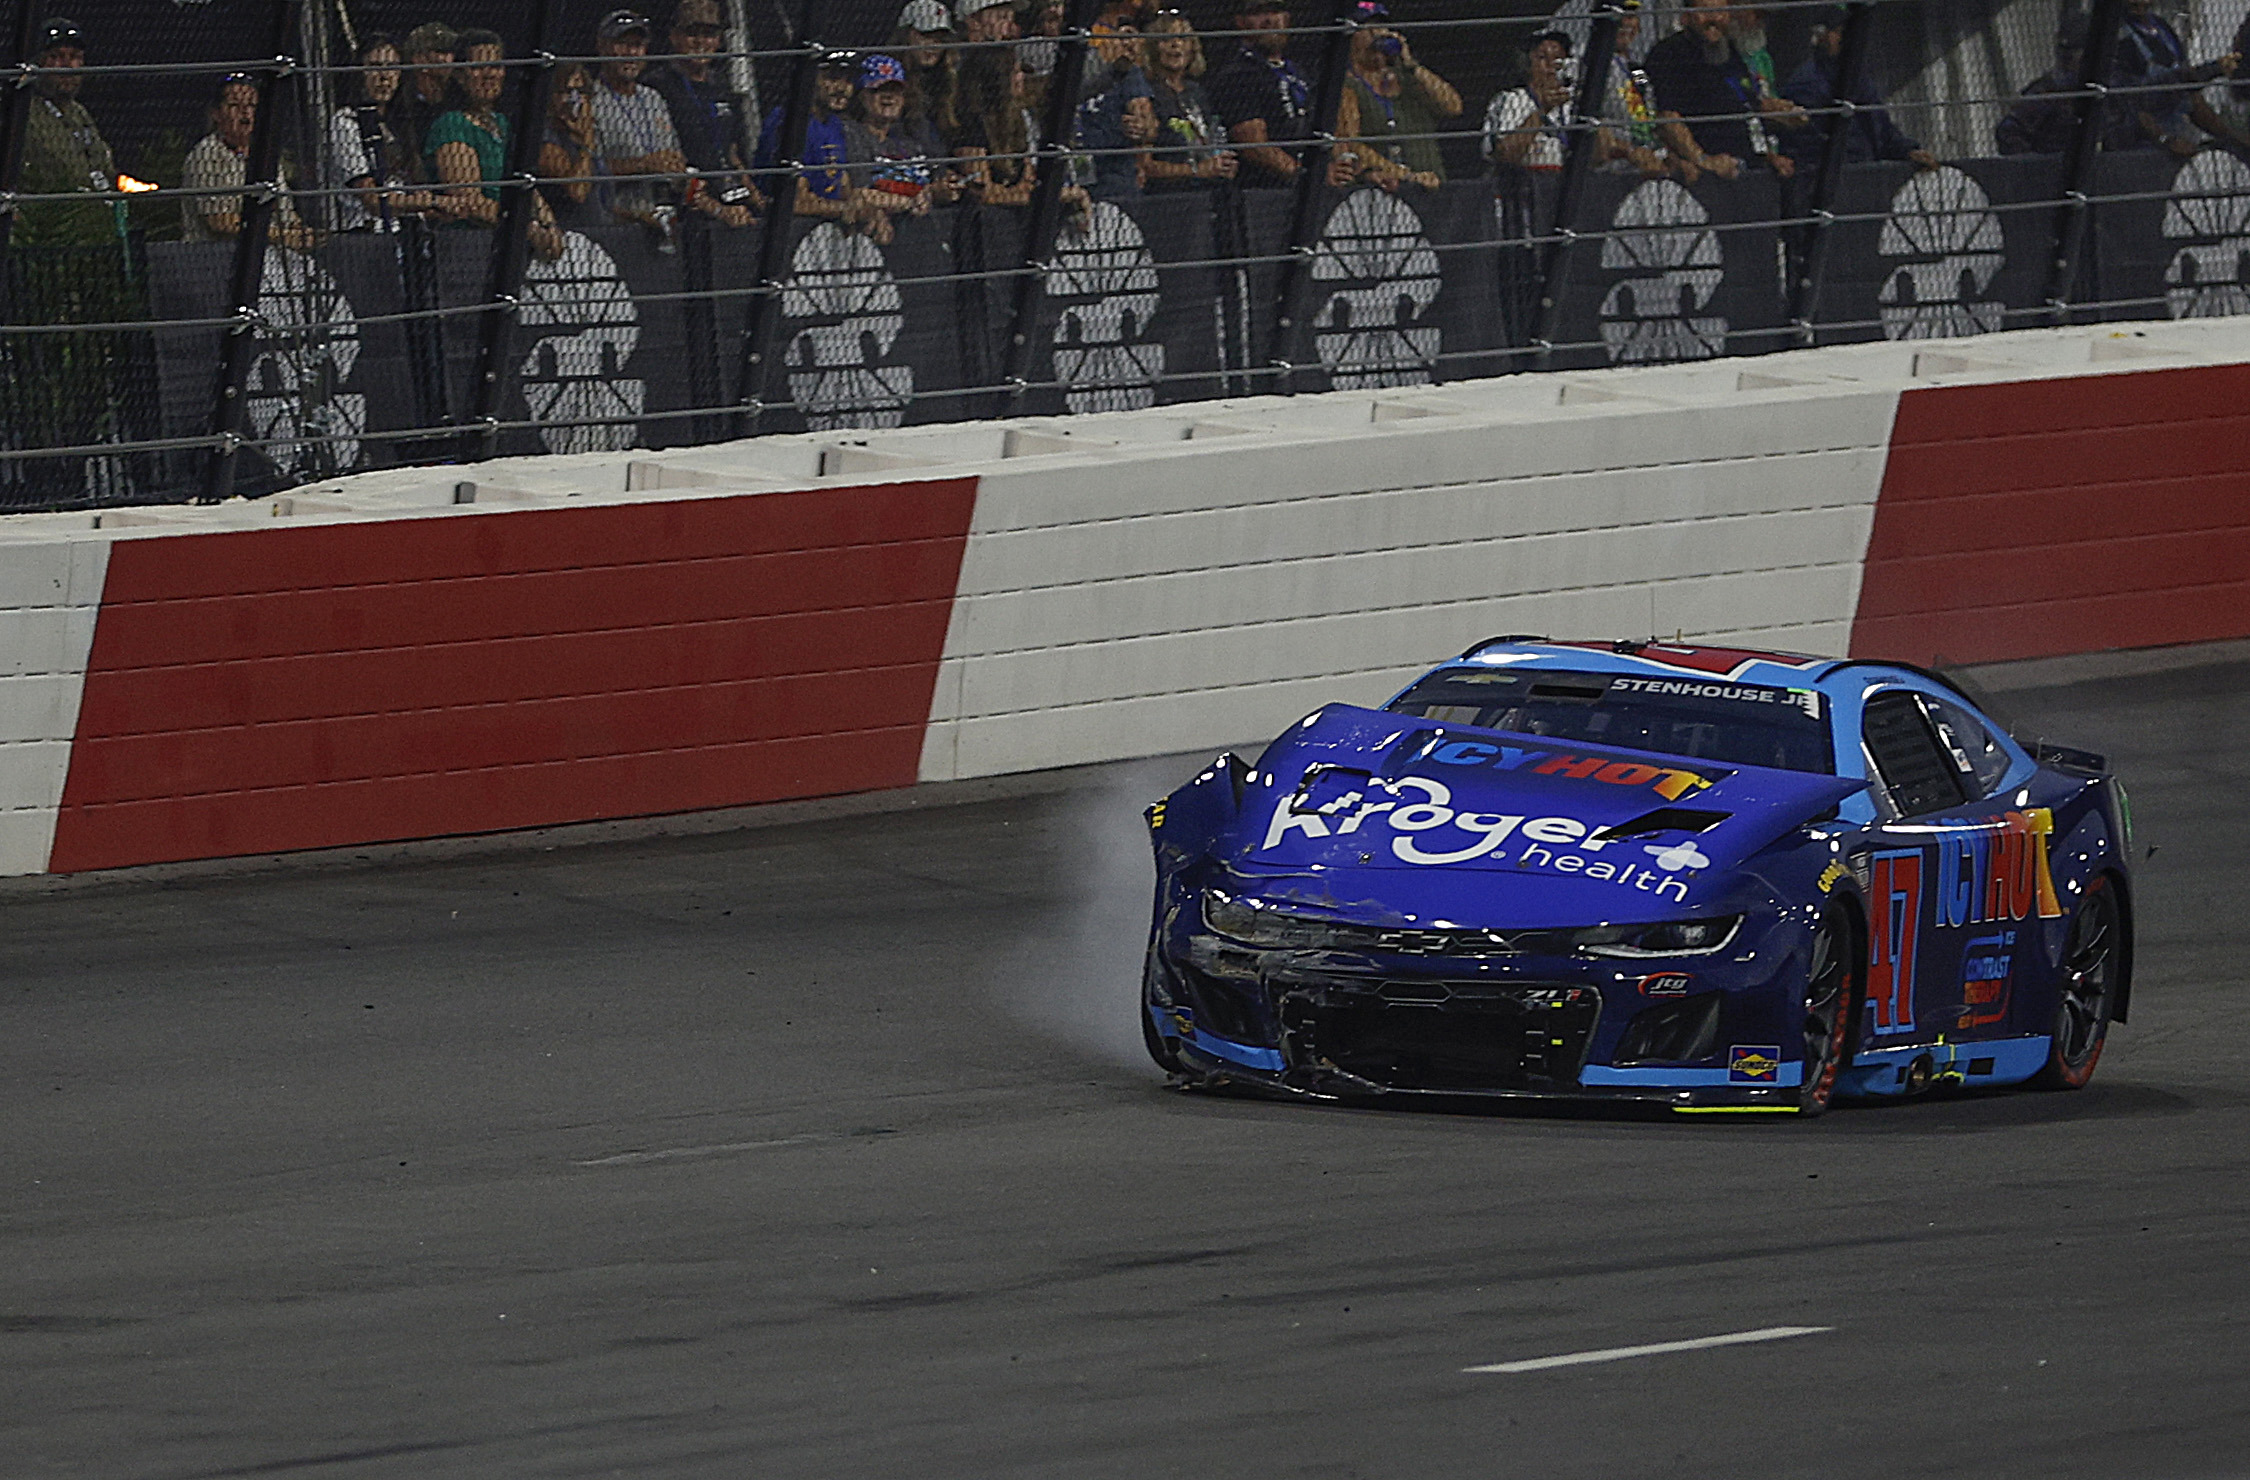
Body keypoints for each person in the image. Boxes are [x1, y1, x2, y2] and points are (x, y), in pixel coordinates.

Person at [428, 29, 565, 257]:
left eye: (495, 66)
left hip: (510, 239)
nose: (489, 74)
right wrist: (525, 227)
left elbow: (526, 184)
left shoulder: (501, 123)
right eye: (478, 67)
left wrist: (549, 225)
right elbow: (468, 199)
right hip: (470, 245)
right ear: (461, 76)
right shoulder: (452, 125)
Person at [1644, 0, 1797, 180]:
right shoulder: (1670, 53)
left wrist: (1768, 157)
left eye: (1720, 12)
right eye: (1705, 12)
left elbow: (1748, 109)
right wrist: (1702, 160)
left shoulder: (1727, 51)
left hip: (1746, 169)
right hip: (1705, 177)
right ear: (1686, 16)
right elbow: (1667, 118)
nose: (1714, 19)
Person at [1780, 6, 1936, 170]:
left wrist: (1908, 151)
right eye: (1838, 32)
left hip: (1866, 172)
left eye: (1848, 32)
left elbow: (1882, 128)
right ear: (1821, 36)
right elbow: (1809, 145)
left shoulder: (1858, 79)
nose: (1845, 39)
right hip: (1834, 176)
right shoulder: (1807, 82)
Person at [645, 0, 758, 226]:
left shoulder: (721, 84)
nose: (700, 43)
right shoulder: (658, 86)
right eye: (692, 34)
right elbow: (668, 160)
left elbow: (732, 151)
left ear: (718, 40)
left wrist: (754, 192)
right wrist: (717, 209)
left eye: (708, 35)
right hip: (686, 198)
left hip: (726, 189)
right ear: (675, 37)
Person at [1334, 1, 1461, 190]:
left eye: (1380, 26)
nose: (1377, 33)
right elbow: (1351, 143)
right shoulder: (1348, 84)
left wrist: (1412, 66)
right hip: (1387, 192)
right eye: (1367, 28)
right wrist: (1406, 176)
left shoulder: (1410, 78)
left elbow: (1453, 106)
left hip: (1434, 187)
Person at [15, 16, 119, 247]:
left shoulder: (79, 113)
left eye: (75, 58)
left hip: (94, 230)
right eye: (57, 57)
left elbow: (105, 168)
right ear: (39, 63)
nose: (68, 66)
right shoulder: (22, 113)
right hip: (47, 235)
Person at [181, 74, 314, 247]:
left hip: (271, 252)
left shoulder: (264, 153)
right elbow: (220, 223)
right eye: (235, 105)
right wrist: (280, 236)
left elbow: (286, 214)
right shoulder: (208, 153)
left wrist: (301, 232)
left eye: (252, 105)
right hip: (217, 255)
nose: (245, 112)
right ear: (216, 114)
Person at [328, 34, 444, 232]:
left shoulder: (400, 124)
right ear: (360, 74)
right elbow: (372, 200)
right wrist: (429, 202)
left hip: (411, 231)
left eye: (391, 67)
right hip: (367, 232)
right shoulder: (346, 121)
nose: (384, 76)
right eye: (374, 67)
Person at [590, 11, 689, 234]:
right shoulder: (591, 100)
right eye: (622, 44)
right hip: (616, 224)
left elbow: (673, 153)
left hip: (664, 217)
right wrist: (644, 165)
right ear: (602, 46)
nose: (630, 53)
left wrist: (680, 170)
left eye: (637, 45)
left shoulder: (653, 98)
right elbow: (589, 169)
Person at [847, 52, 960, 242]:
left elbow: (930, 183)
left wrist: (943, 188)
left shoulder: (909, 140)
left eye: (895, 90)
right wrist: (913, 200)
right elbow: (860, 192)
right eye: (879, 90)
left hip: (924, 236)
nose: (889, 97)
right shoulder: (853, 135)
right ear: (862, 96)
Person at [2107, 0, 2240, 155]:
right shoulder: (2116, 35)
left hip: (2181, 135)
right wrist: (2165, 139)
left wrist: (2231, 137)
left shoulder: (2160, 27)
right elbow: (2130, 102)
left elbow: (2189, 93)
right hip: (2143, 146)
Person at [1208, 0, 1312, 188]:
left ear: (1287, 18)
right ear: (1241, 21)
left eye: (1275, 11)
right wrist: (1306, 176)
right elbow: (1254, 146)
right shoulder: (1238, 73)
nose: (1270, 19)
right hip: (1264, 192)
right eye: (1259, 12)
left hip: (1311, 180)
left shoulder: (1297, 72)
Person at [758, 50, 860, 221]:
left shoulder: (834, 124)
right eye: (833, 78)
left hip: (826, 227)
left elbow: (841, 183)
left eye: (848, 80)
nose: (842, 88)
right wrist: (846, 209)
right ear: (810, 79)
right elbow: (794, 202)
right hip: (789, 229)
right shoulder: (790, 121)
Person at [1140, 11, 1236, 192]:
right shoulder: (1146, 92)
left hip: (1209, 191)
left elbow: (1212, 136)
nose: (1176, 44)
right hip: (1168, 195)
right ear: (1153, 47)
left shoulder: (1197, 91)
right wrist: (1195, 171)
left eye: (1183, 38)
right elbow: (1144, 165)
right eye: (1166, 38)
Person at [1996, 17, 2086, 156]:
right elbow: (2009, 130)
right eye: (2066, 53)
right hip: (2059, 166)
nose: (2069, 58)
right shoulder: (2049, 90)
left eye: (2075, 51)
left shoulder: (2115, 84)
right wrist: (2035, 164)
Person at [1073, 64, 1158, 200]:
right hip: (1068, 170)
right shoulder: (1069, 63)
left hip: (1113, 174)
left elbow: (1148, 125)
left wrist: (1140, 124)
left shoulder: (1127, 72)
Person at [539, 63, 605, 229]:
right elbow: (578, 192)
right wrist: (587, 143)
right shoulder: (546, 138)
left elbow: (597, 201)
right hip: (571, 234)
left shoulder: (578, 137)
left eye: (580, 91)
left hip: (598, 231)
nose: (574, 99)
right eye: (567, 92)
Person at [890, 0, 960, 145]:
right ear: (906, 36)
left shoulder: (948, 79)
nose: (933, 45)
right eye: (925, 36)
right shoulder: (889, 77)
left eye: (940, 39)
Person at [399, 21, 460, 182]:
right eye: (440, 51)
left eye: (450, 52)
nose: (448, 59)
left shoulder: (459, 100)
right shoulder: (401, 104)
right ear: (419, 59)